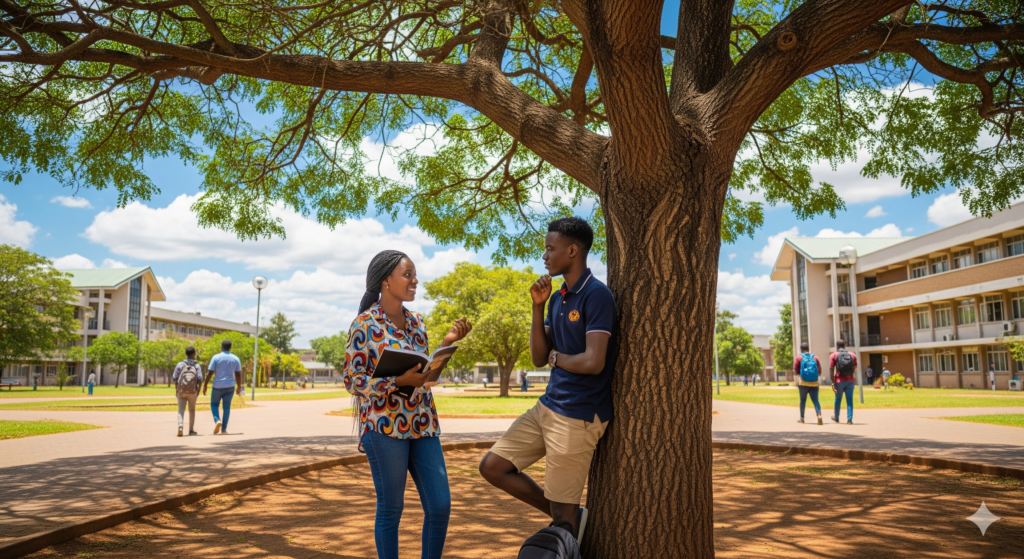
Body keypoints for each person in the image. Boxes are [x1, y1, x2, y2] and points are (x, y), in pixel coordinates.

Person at [479, 217, 615, 543]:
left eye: (550, 249)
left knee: (563, 523)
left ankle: (567, 521)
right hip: (547, 406)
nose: (544, 256)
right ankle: (570, 516)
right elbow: (539, 357)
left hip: (578, 415)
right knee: (493, 467)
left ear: (572, 250)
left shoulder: (597, 296)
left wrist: (557, 359)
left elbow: (593, 362)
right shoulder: (557, 297)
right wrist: (537, 308)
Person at [343, 250, 471, 559]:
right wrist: (396, 382)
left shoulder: (417, 322)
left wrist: (446, 343)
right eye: (408, 275)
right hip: (384, 427)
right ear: (386, 281)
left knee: (440, 505)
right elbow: (352, 381)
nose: (415, 281)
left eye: (414, 274)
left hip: (423, 422)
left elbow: (427, 378)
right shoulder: (364, 324)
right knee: (391, 509)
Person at [202, 339, 242, 435]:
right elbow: (238, 374)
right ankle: (223, 429)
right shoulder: (235, 358)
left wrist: (205, 385)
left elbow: (210, 372)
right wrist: (239, 387)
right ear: (230, 348)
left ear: (221, 347)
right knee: (226, 407)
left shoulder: (216, 357)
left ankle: (217, 420)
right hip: (230, 386)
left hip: (217, 386)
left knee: (214, 405)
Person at [172, 346, 203, 437]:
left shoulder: (180, 364)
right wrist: (198, 390)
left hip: (181, 391)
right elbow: (200, 379)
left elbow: (174, 378)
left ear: (186, 354)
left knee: (181, 410)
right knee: (192, 410)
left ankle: (180, 426)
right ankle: (191, 430)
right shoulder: (197, 365)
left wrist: (177, 388)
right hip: (193, 391)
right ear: (194, 355)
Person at [793, 342, 823, 425]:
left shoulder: (798, 357)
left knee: (802, 401)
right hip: (814, 383)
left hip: (803, 383)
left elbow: (795, 372)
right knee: (816, 400)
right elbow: (820, 372)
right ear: (808, 349)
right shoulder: (815, 357)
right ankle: (819, 415)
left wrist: (800, 374)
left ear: (801, 349)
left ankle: (802, 418)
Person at [830, 340, 858, 424]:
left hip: (839, 381)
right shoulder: (852, 355)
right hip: (850, 381)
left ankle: (836, 417)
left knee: (838, 399)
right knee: (849, 400)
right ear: (845, 345)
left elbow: (831, 370)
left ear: (837, 346)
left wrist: (832, 383)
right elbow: (855, 369)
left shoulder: (833, 355)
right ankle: (849, 419)